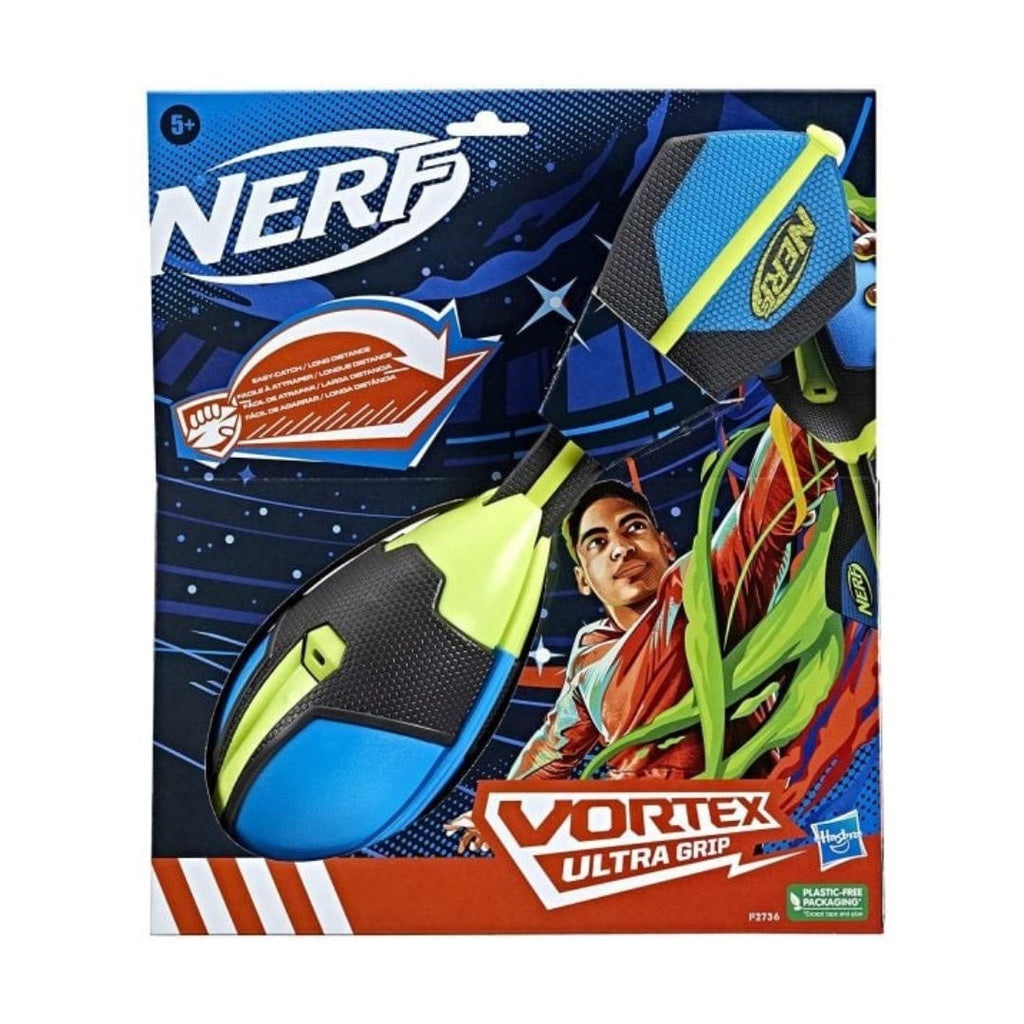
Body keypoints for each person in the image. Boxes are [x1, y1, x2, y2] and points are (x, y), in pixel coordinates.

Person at [444, 415, 836, 853]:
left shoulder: (708, 588)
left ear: (665, 545)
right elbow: (552, 749)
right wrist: (497, 810)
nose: (620, 548)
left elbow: (764, 505)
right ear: (583, 579)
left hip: (725, 837)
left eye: (633, 527)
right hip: (628, 849)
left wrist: (814, 414)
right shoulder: (589, 656)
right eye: (597, 542)